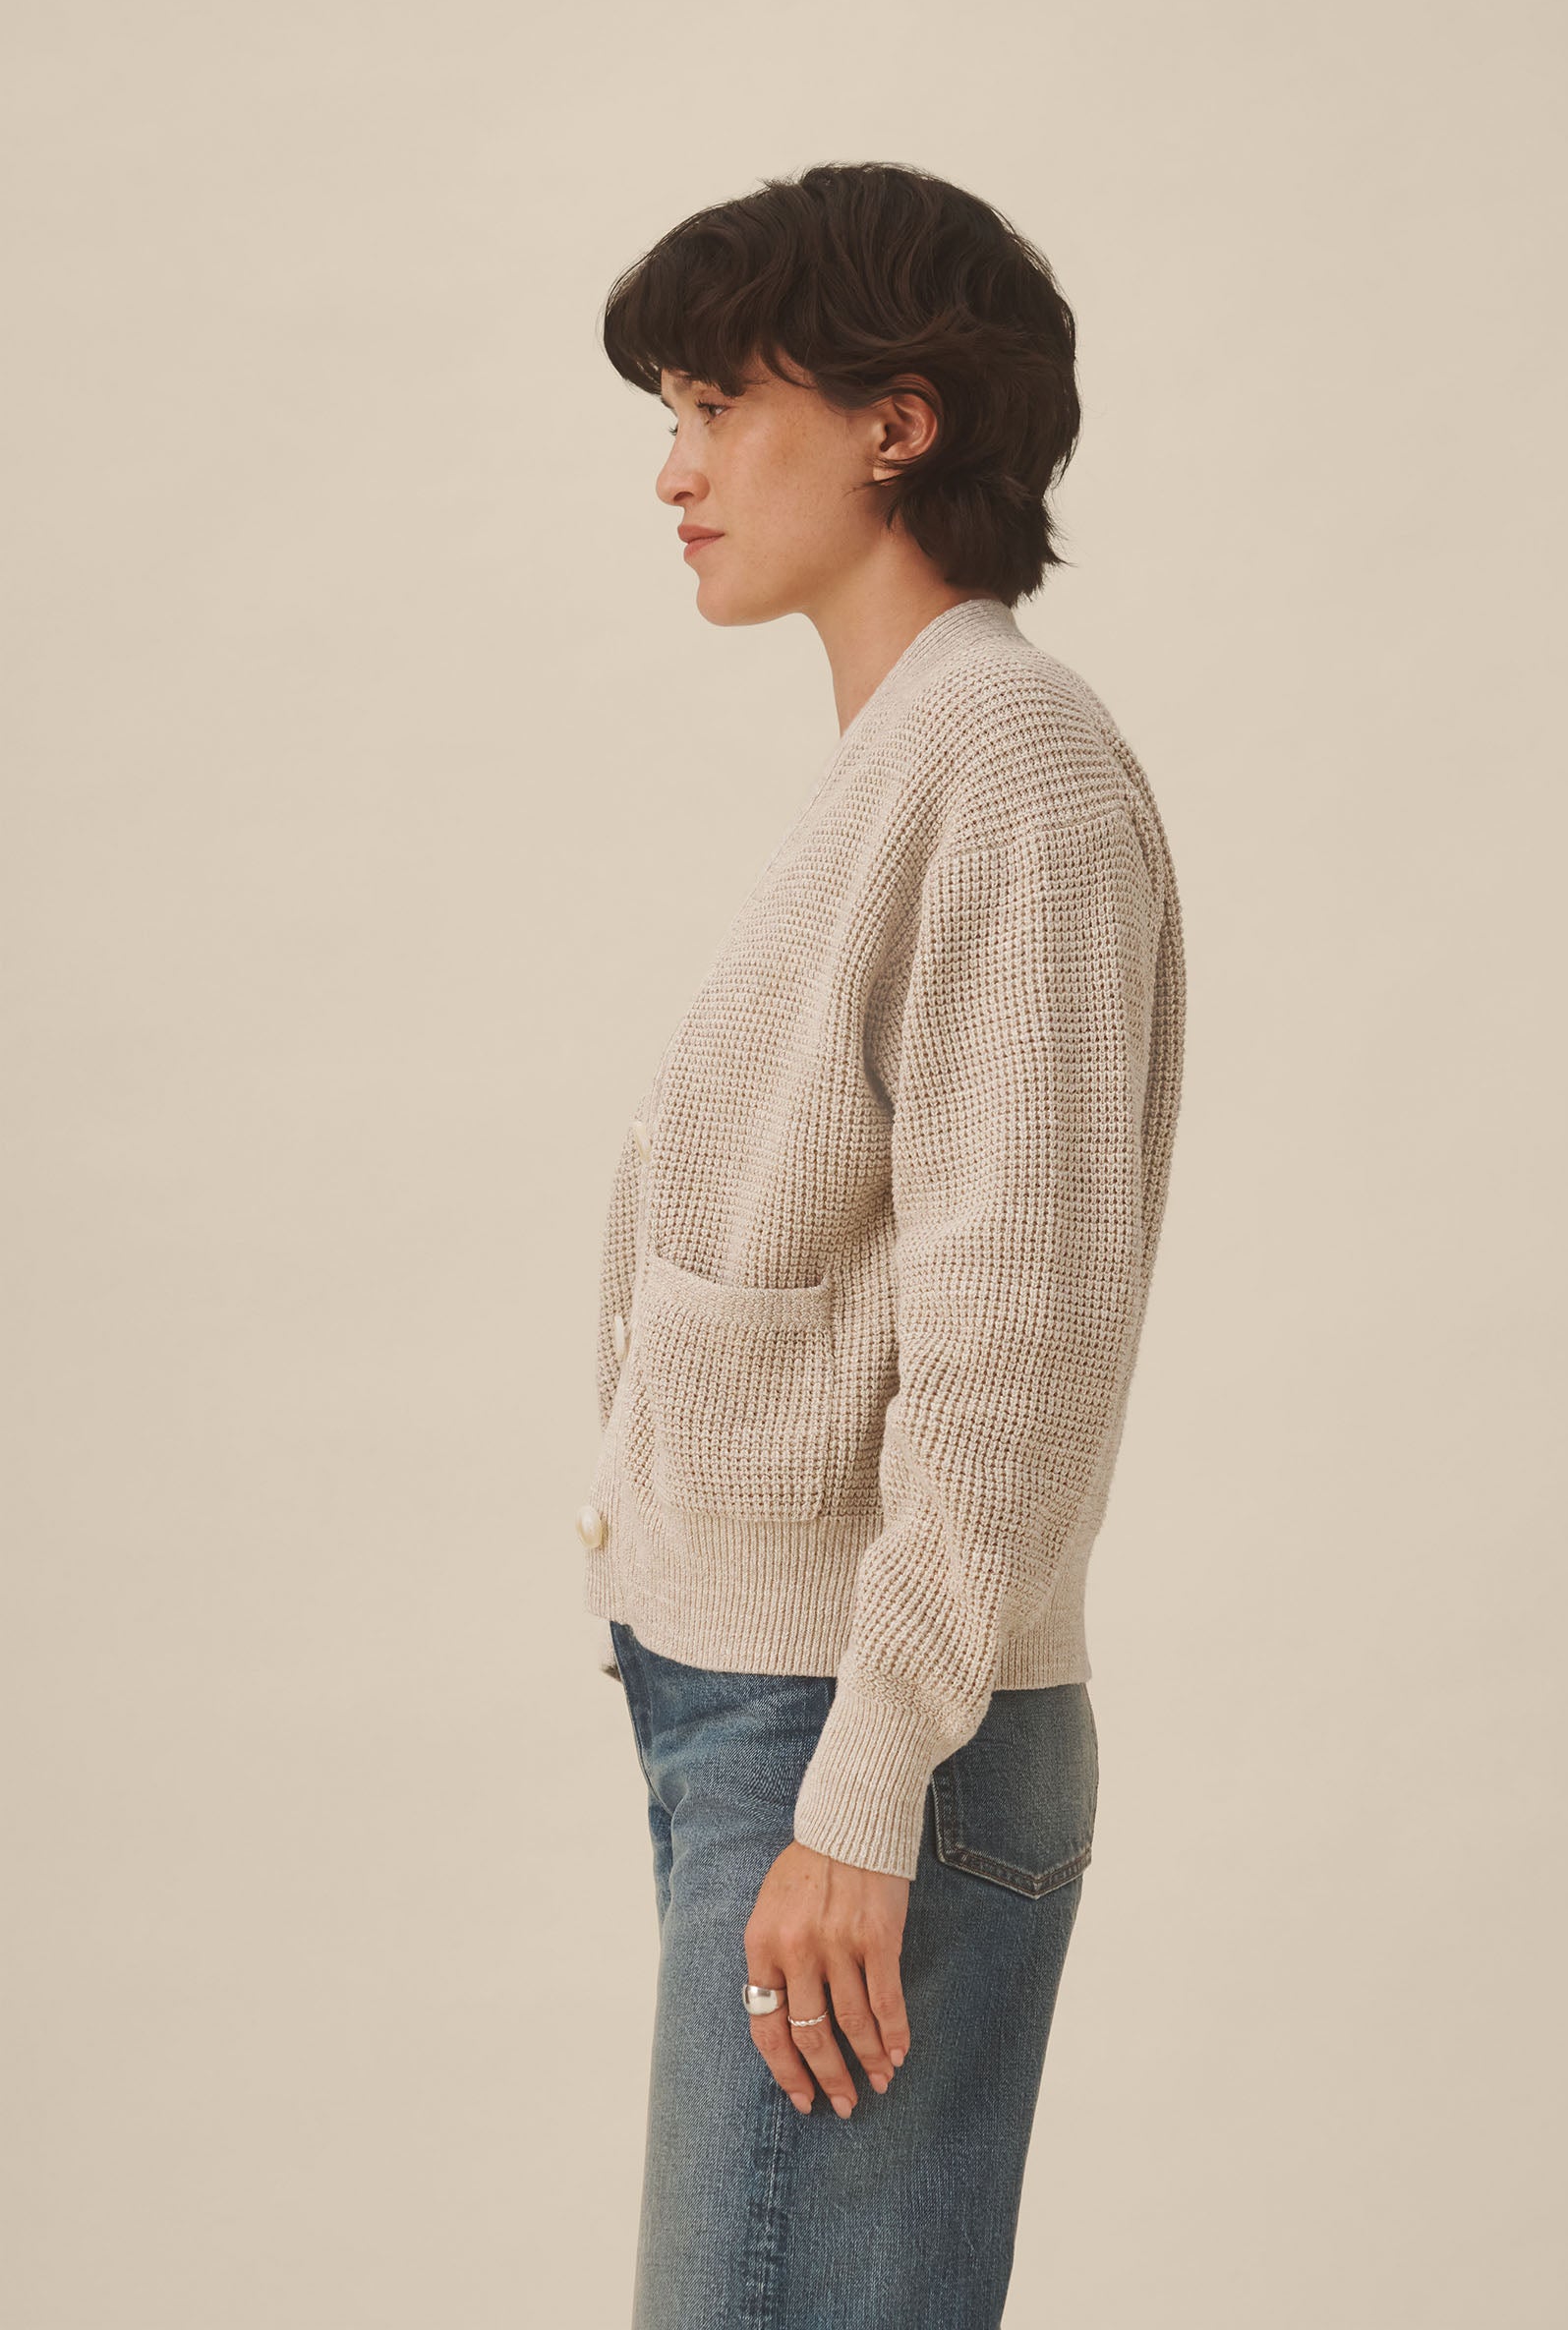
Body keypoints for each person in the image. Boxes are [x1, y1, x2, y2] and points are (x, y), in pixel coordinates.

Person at [580, 160, 1187, 2329]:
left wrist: (861, 1791)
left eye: (714, 406)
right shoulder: (913, 755)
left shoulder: (1009, 767)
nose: (673, 472)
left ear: (896, 424)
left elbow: (1019, 1347)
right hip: (785, 1722)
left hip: (857, 1740)